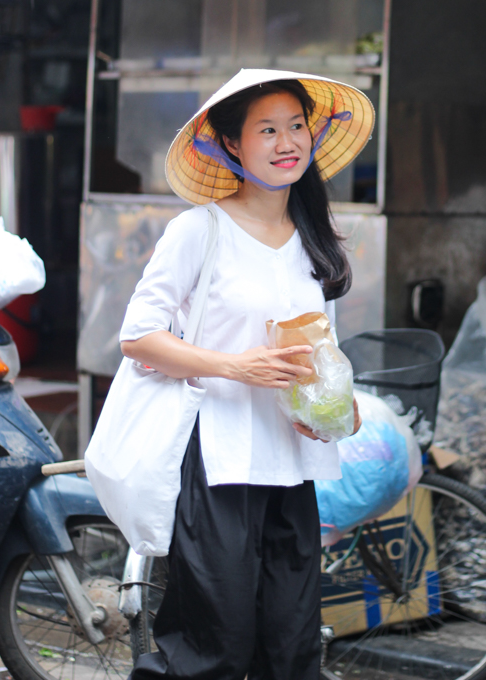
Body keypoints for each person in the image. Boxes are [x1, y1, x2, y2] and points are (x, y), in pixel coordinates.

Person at [120, 69, 374, 680]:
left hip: (292, 465)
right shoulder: (198, 230)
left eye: (296, 127)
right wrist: (234, 365)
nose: (288, 142)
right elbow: (137, 338)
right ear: (232, 144)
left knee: (291, 648)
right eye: (268, 129)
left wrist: (332, 406)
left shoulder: (313, 238)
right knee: (215, 646)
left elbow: (319, 346)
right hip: (219, 459)